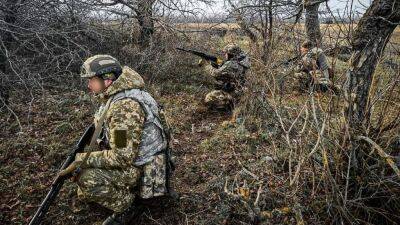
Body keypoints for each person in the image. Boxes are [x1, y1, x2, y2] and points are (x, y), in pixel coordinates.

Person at [58, 55, 172, 225]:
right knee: (86, 183)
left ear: (108, 80)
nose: (89, 85)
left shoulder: (124, 107)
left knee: (86, 178)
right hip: (143, 159)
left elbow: (122, 157)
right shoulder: (121, 93)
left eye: (92, 80)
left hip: (142, 168)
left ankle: (128, 206)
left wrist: (82, 160)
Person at [201, 44, 250, 111]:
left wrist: (206, 65)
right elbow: (227, 67)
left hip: (236, 93)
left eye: (226, 53)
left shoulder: (231, 64)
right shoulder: (243, 61)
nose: (225, 55)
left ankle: (227, 107)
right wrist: (218, 62)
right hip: (244, 90)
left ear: (230, 54)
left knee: (209, 98)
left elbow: (216, 74)